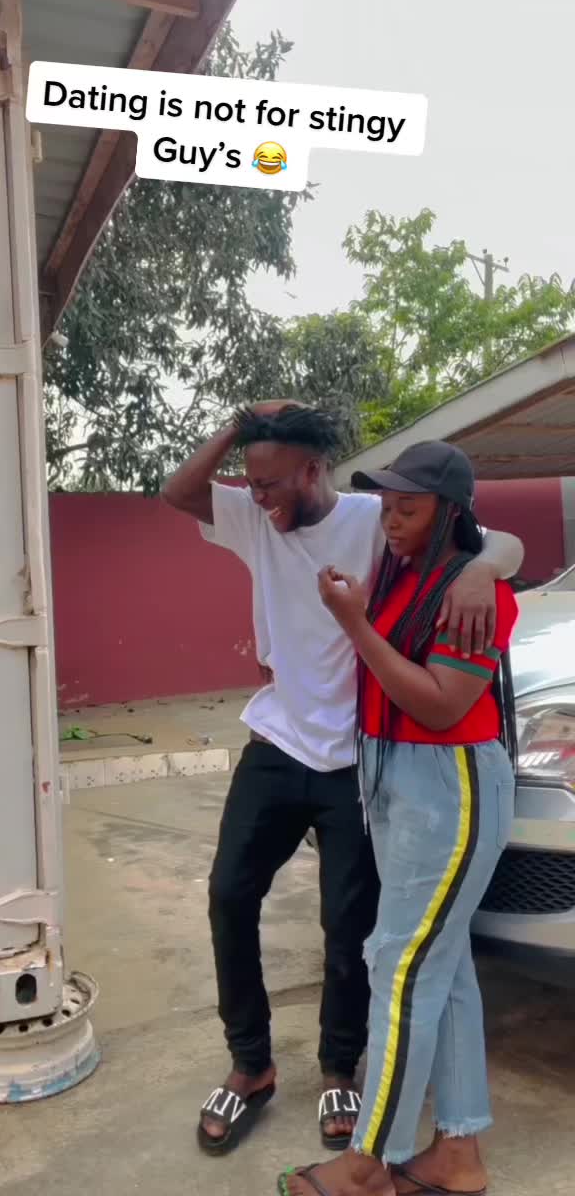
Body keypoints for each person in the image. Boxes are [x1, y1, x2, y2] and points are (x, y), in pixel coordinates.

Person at [161, 404, 523, 1157]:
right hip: (277, 739)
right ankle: (250, 1064)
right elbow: (178, 492)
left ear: (312, 471)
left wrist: (482, 571)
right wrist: (237, 427)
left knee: (348, 924)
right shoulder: (256, 520)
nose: (258, 497)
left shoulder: (377, 518)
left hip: (356, 758)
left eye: (271, 483)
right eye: (251, 483)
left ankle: (338, 1067)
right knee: (229, 893)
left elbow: (498, 541)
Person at [278, 439, 519, 1196]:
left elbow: (441, 704)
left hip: (449, 784)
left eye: (407, 509)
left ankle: (368, 1163)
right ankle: (458, 1155)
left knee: (402, 963)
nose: (390, 521)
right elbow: (504, 544)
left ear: (447, 513)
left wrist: (357, 624)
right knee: (441, 966)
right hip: (392, 776)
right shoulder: (401, 570)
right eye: (385, 507)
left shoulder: (472, 595)